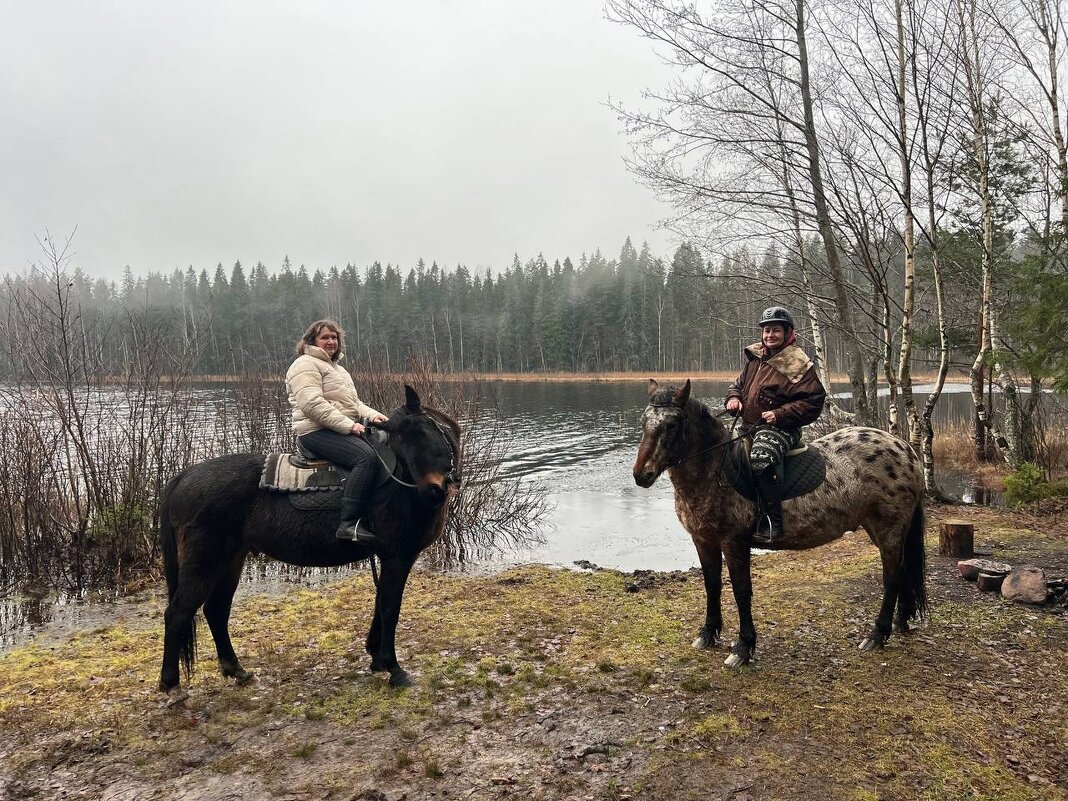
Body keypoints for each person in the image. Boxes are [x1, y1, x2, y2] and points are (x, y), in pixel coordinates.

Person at [725, 306, 826, 545]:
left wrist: (780, 414)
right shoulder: (756, 358)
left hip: (782, 427)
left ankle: (773, 522)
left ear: (787, 332)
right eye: (767, 330)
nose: (770, 335)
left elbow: (814, 399)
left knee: (761, 459)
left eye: (776, 330)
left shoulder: (797, 362)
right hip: (750, 426)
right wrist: (734, 398)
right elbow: (738, 385)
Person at [286, 319, 390, 545]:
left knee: (386, 443)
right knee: (366, 457)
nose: (331, 341)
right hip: (315, 431)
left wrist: (374, 416)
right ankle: (349, 524)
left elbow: (353, 404)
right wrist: (349, 425)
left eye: (334, 337)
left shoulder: (338, 369)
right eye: (325, 337)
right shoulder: (305, 364)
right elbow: (312, 404)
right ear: (312, 341)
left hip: (336, 428)